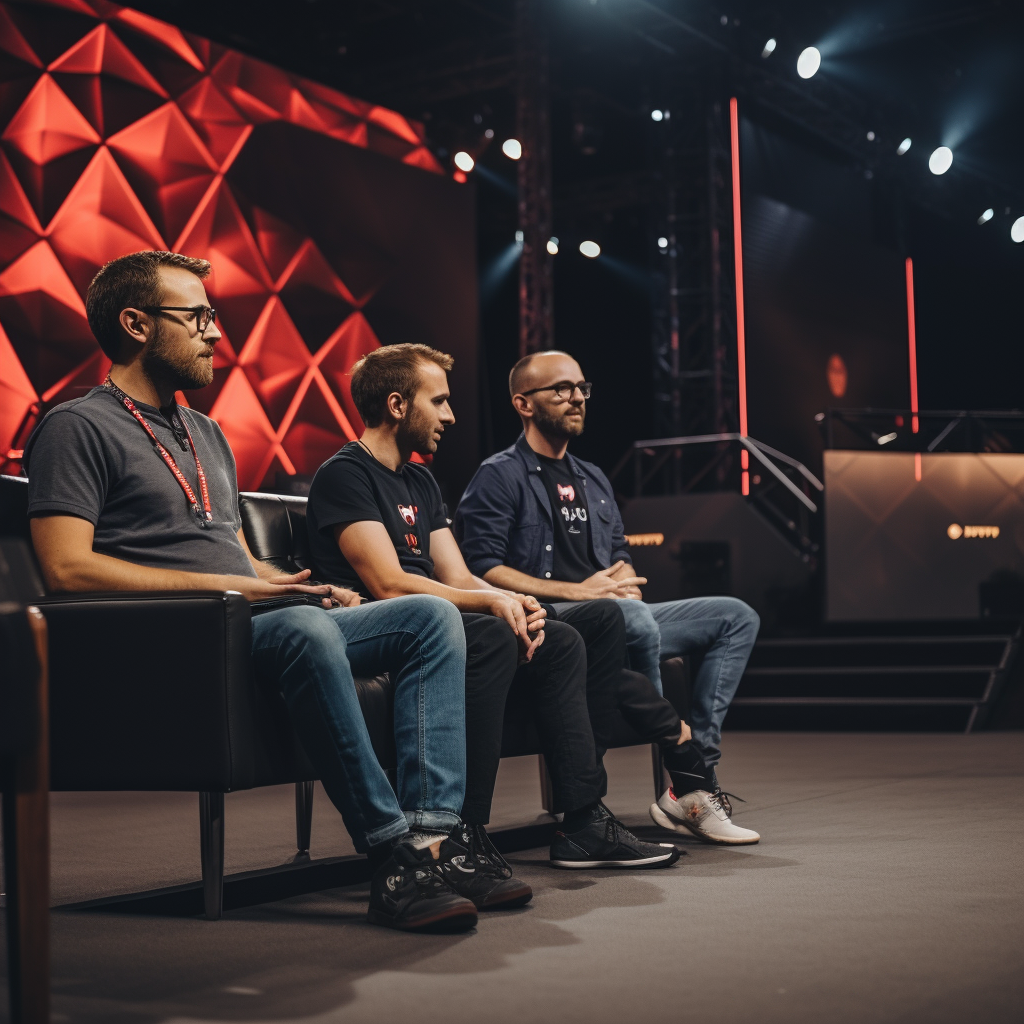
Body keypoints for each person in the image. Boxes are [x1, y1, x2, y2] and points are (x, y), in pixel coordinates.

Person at [24, 250, 479, 933]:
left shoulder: (205, 431)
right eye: (198, 317)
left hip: (247, 613)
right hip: (177, 631)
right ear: (135, 324)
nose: (215, 333)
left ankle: (431, 839)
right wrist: (239, 589)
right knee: (305, 630)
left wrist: (295, 585)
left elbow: (229, 552)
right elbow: (67, 570)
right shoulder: (76, 427)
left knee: (430, 615)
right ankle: (391, 858)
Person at [305, 343, 682, 890]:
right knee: (490, 634)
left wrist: (517, 602)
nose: (450, 416)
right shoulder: (346, 474)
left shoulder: (420, 480)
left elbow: (458, 577)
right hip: (391, 623)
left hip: (446, 610)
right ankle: (463, 832)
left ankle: (582, 820)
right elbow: (387, 584)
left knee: (583, 628)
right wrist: (492, 603)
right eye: (438, 402)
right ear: (395, 405)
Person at [454, 350, 762, 845]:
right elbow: (480, 569)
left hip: (618, 611)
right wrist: (582, 592)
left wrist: (622, 582)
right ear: (523, 404)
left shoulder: (593, 477)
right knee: (631, 620)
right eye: (560, 388)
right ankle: (690, 782)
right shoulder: (500, 475)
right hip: (556, 620)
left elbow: (620, 558)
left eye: (581, 387)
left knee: (735, 616)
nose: (576, 397)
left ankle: (699, 769)